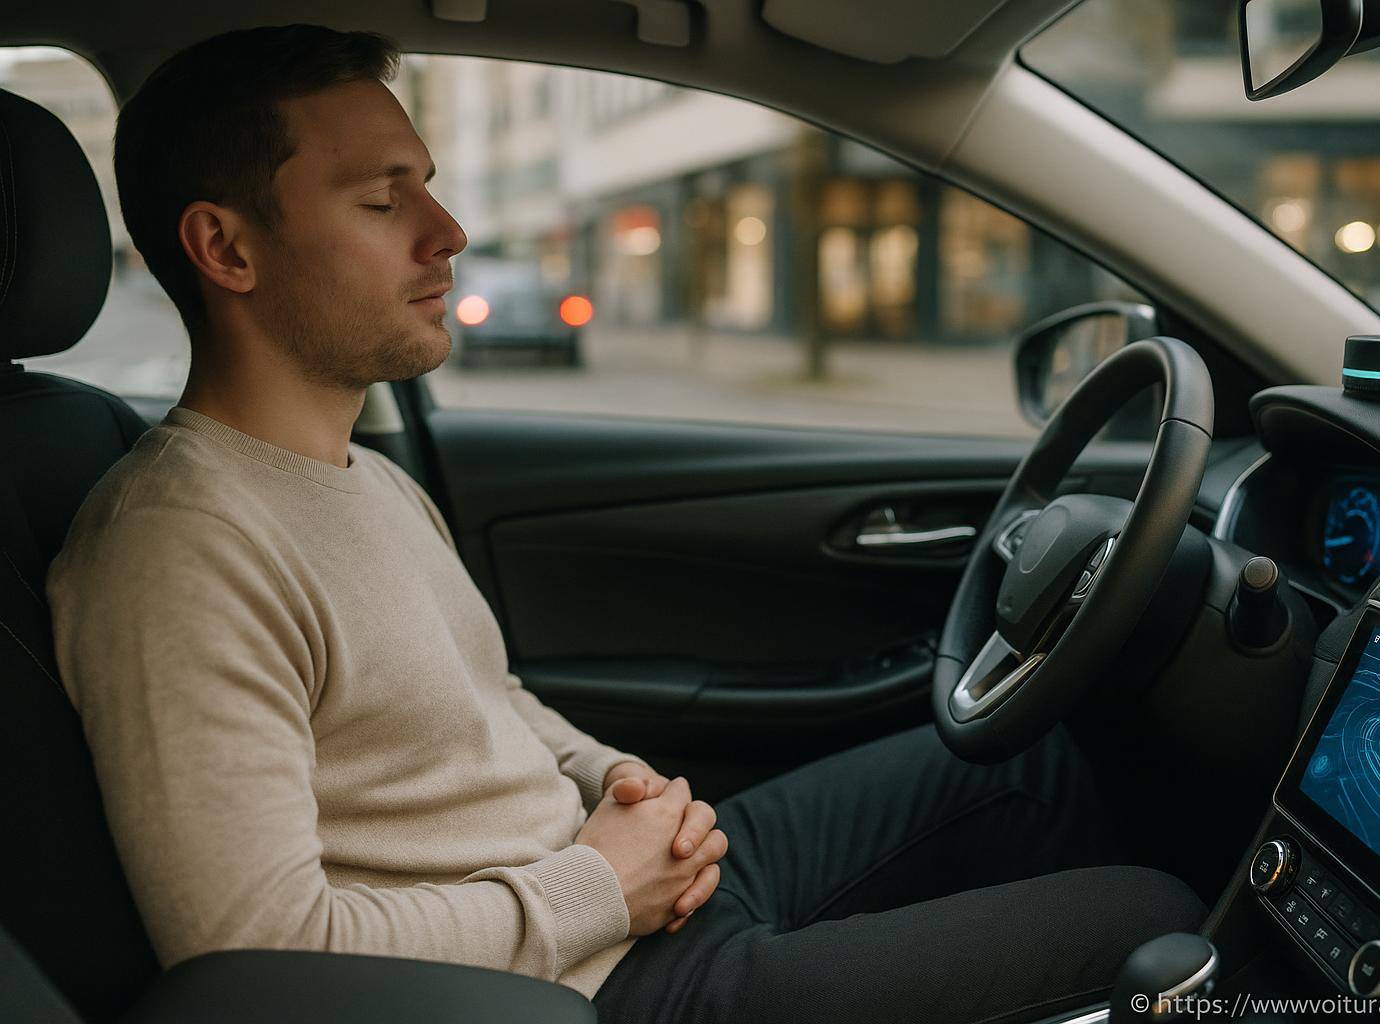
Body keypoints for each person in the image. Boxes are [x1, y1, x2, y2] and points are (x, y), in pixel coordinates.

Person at [47, 25, 1203, 1024]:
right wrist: (598, 888)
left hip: (622, 893)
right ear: (227, 247)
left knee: (1032, 765)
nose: (447, 231)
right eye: (383, 199)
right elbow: (253, 955)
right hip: (584, 994)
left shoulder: (365, 477)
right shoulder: (178, 547)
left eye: (430, 185)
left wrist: (625, 789)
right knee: (1151, 926)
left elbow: (486, 703)